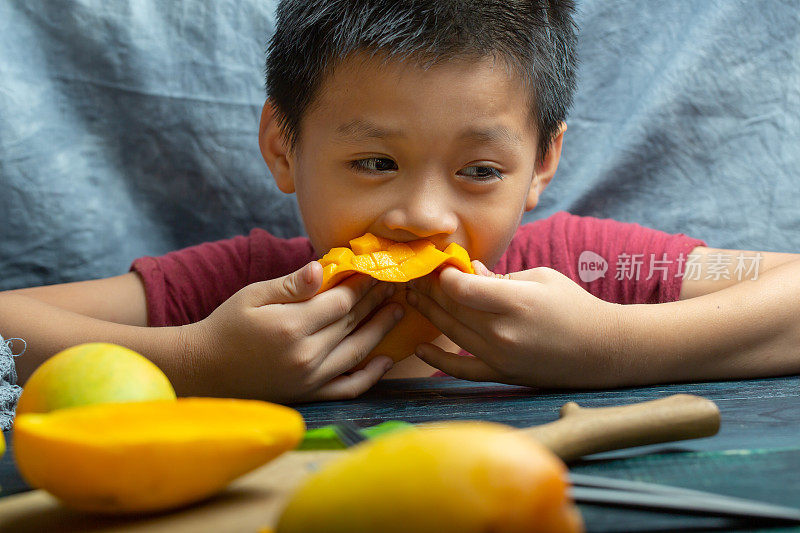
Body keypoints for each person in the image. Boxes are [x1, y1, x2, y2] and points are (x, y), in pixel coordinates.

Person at [2, 0, 798, 405]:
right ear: (283, 146)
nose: (422, 215)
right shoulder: (246, 295)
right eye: (375, 161)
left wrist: (614, 346)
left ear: (542, 162)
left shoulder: (582, 269)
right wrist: (203, 361)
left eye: (479, 171)